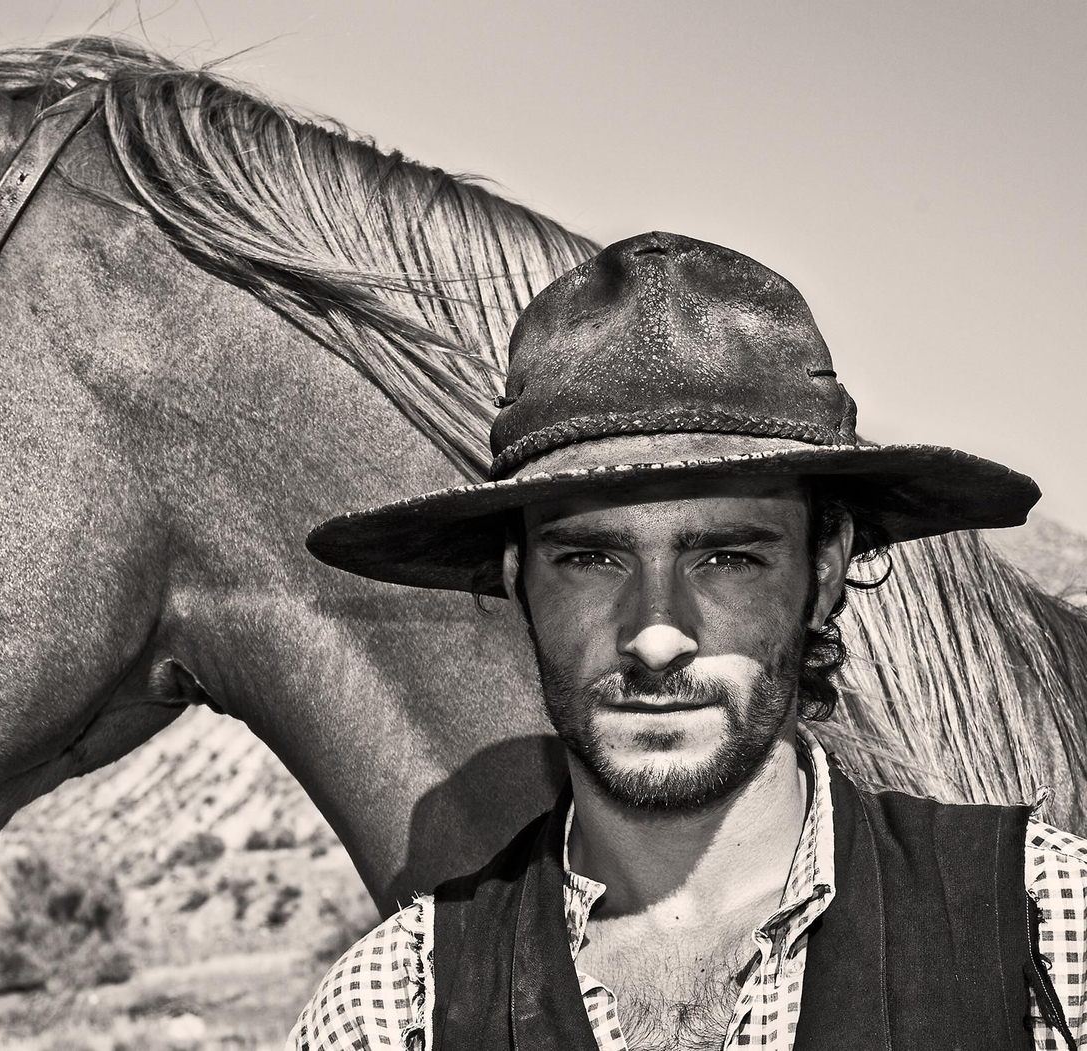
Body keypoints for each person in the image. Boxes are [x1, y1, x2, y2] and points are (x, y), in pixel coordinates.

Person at [289, 232, 1086, 1050]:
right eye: (591, 559)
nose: (657, 635)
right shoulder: (391, 1009)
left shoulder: (1049, 930)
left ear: (824, 570)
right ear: (518, 577)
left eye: (727, 558)